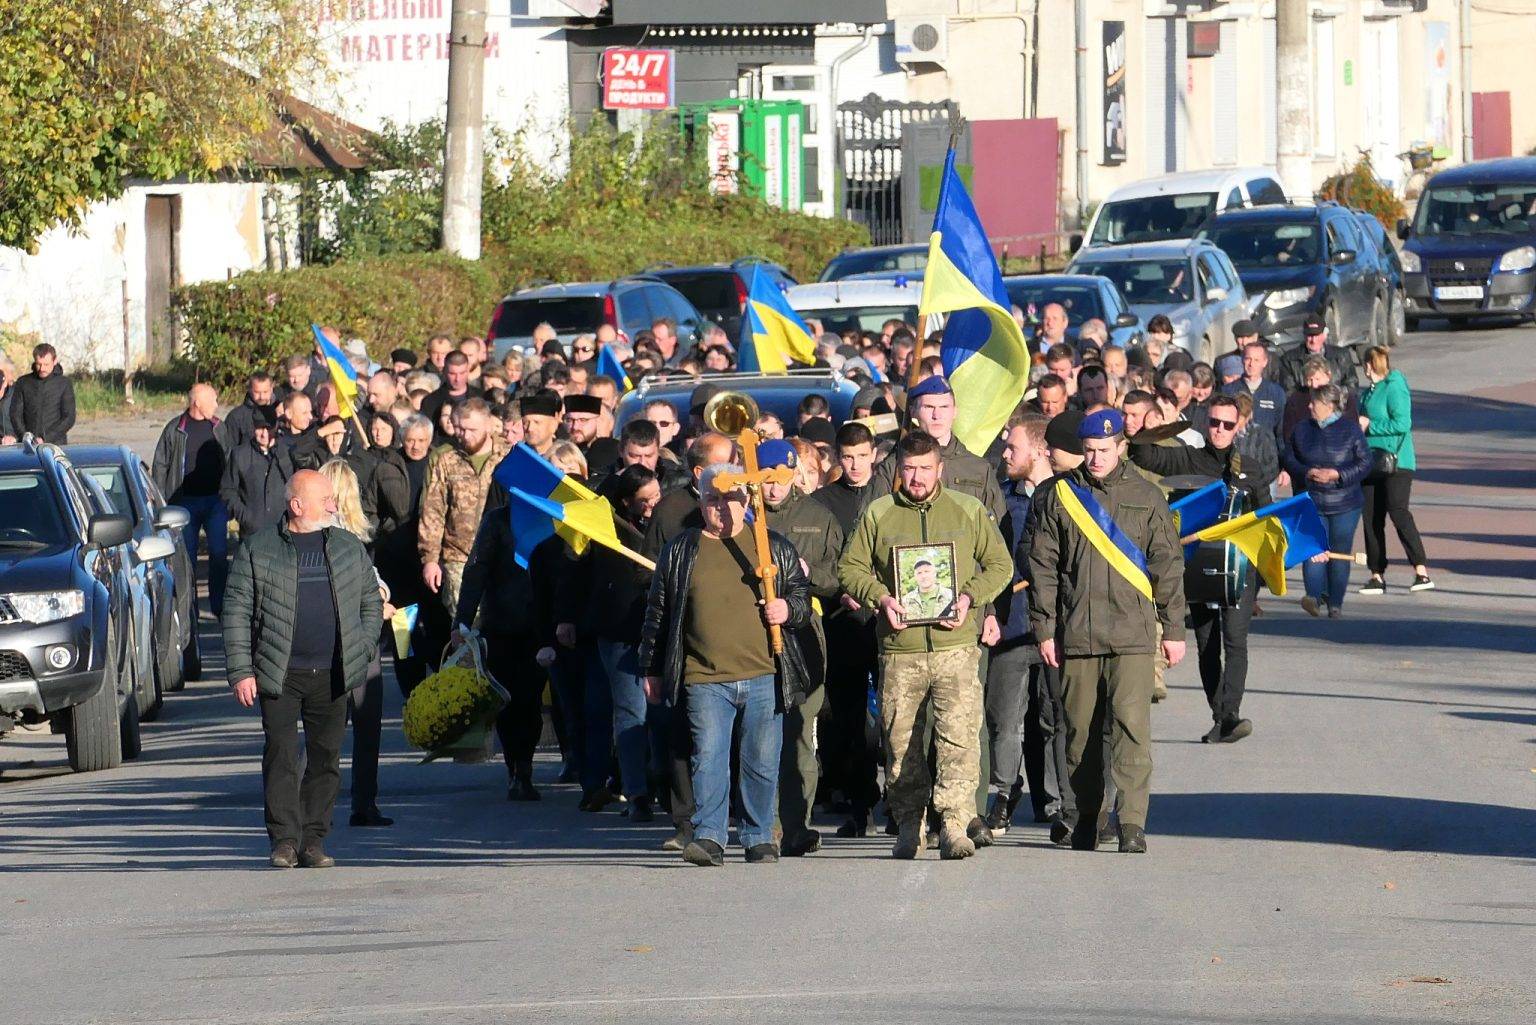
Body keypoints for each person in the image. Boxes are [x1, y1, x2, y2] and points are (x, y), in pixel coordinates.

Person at [839, 433, 1012, 860]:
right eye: (909, 469)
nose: (917, 477)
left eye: (925, 468)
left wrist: (970, 597)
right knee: (900, 743)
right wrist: (881, 598)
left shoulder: (967, 510)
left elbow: (1000, 565)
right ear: (898, 469)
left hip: (956, 648)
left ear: (940, 469)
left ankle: (954, 823)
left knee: (959, 740)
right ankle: (909, 823)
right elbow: (850, 567)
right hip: (901, 650)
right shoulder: (879, 513)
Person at [639, 464, 815, 866]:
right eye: (713, 499)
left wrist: (787, 609)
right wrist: (650, 667)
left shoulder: (771, 546)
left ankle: (758, 837)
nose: (722, 507)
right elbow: (658, 612)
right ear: (701, 502)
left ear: (746, 500)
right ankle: (710, 837)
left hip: (764, 674)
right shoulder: (681, 550)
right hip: (704, 676)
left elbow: (801, 598)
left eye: (730, 498)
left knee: (760, 762)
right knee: (708, 759)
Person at [1028, 409, 1187, 853]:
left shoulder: (1147, 496)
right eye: (1089, 450)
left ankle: (1132, 822)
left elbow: (1167, 564)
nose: (1096, 458)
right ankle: (1087, 817)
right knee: (1080, 734)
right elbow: (1043, 567)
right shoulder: (1061, 496)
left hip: (1133, 634)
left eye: (1104, 449)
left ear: (1121, 447)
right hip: (1078, 633)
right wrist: (1045, 629)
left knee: (1131, 728)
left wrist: (1174, 629)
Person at [223, 470, 383, 869]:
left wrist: (362, 648)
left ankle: (313, 840)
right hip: (279, 672)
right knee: (280, 756)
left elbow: (370, 601)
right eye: (325, 499)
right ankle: (283, 841)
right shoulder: (258, 549)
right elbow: (237, 611)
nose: (333, 505)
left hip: (333, 673)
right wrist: (241, 671)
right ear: (297, 506)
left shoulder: (347, 547)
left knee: (325, 759)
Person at [1128, 395, 1276, 743]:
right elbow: (1145, 455)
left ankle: (1230, 714)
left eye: (1227, 424)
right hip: (1197, 566)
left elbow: (1267, 517)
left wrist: (1288, 558)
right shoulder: (1188, 458)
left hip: (1239, 567)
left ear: (1238, 426)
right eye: (1214, 423)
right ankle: (1220, 716)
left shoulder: (1250, 468)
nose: (1220, 430)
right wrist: (1150, 430)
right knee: (1207, 643)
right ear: (1205, 423)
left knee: (1235, 641)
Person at [986, 414, 1073, 842]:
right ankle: (1004, 792)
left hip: (1058, 630)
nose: (1005, 454)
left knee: (1056, 719)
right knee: (1004, 720)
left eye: (1012, 447)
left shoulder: (1070, 498)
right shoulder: (1001, 501)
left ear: (1039, 451)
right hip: (1011, 626)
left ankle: (1060, 802)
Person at [757, 440, 841, 858]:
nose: (774, 488)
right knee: (759, 736)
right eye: (766, 479)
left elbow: (839, 576)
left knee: (800, 736)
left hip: (804, 637)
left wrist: (810, 574)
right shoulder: (742, 516)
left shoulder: (817, 516)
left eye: (782, 478)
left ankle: (796, 825)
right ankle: (763, 825)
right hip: (753, 636)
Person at [454, 479, 546, 802]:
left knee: (529, 701)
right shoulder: (496, 521)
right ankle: (516, 768)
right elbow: (475, 571)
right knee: (507, 700)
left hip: (537, 626)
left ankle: (524, 766)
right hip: (501, 625)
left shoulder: (546, 519)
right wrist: (462, 621)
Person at [811, 422, 882, 837]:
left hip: (888, 621)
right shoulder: (821, 504)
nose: (855, 465)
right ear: (837, 458)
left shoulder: (890, 497)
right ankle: (859, 804)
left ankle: (903, 803)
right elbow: (820, 561)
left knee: (897, 716)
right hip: (843, 622)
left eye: (862, 456)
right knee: (848, 718)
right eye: (848, 457)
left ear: (874, 455)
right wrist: (840, 590)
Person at [316, 459, 394, 828]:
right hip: (351, 639)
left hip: (345, 638)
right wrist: (378, 597)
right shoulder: (330, 535)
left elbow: (367, 575)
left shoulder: (340, 534)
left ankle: (320, 805)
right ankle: (361, 803)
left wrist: (380, 591)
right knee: (358, 724)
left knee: (328, 727)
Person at [1282, 384, 1372, 618]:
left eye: (1315, 403)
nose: (1310, 406)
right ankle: (1313, 597)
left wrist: (1338, 475)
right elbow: (1289, 458)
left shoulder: (1350, 430)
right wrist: (1306, 472)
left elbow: (1365, 463)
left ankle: (1335, 603)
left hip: (1345, 504)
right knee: (1314, 549)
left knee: (1339, 552)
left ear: (1330, 405)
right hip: (1312, 501)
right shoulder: (1302, 429)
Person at [418, 398, 510, 617]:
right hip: (458, 557)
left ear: (488, 425)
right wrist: (430, 559)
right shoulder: (447, 459)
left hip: (501, 556)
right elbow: (433, 510)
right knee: (466, 625)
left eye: (472, 430)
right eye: (460, 429)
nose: (465, 436)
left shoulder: (508, 456)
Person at [870, 376, 1005, 521]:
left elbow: (996, 526)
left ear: (955, 412)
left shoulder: (978, 469)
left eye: (944, 407)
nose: (937, 415)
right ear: (913, 411)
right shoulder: (895, 466)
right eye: (929, 407)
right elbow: (873, 520)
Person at [152, 384, 233, 617]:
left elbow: (229, 460)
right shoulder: (175, 429)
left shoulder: (218, 427)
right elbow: (160, 466)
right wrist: (161, 503)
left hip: (215, 502)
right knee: (187, 559)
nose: (216, 405)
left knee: (219, 554)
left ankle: (218, 606)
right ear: (197, 402)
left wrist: (229, 495)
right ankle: (190, 610)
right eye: (213, 400)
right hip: (184, 503)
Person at [1358, 347, 1433, 594]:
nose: (1364, 368)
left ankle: (1421, 570)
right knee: (1371, 516)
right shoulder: (1367, 393)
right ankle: (1376, 574)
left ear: (1371, 364)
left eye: (1365, 363)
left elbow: (1403, 423)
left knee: (1398, 511)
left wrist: (1371, 426)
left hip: (1397, 461)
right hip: (1371, 461)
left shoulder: (1394, 386)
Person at [221, 408, 296, 539]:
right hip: (252, 533)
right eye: (260, 428)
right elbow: (227, 490)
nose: (264, 434)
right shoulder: (240, 455)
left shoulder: (288, 452)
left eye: (268, 429)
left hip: (284, 530)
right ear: (253, 427)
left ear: (276, 426)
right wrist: (246, 517)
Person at [9, 343, 76, 444]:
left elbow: (69, 418)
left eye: (46, 364)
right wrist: (26, 437)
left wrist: (46, 438)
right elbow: (15, 414)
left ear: (55, 361)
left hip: (56, 445)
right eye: (38, 364)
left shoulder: (64, 383)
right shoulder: (23, 382)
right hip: (28, 445)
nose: (42, 369)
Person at [1277, 315, 1356, 393]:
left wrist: (1331, 395)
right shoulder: (1289, 360)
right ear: (1304, 336)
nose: (1313, 340)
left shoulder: (1341, 355)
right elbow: (1289, 391)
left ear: (1324, 335)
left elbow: (1352, 385)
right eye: (1310, 336)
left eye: (1316, 335)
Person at [419, 351, 483, 427]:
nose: (457, 379)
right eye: (452, 374)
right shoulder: (430, 401)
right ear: (444, 371)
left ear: (468, 371)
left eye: (462, 373)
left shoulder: (481, 397)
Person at [224, 372, 277, 450]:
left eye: (265, 392)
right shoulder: (236, 417)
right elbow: (229, 449)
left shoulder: (280, 412)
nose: (261, 397)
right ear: (250, 390)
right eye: (257, 392)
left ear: (271, 389)